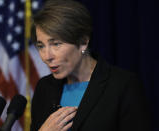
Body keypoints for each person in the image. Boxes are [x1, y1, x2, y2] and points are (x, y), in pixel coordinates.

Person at [30, 0, 152, 131]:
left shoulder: (122, 85)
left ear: (83, 42)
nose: (46, 56)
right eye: (41, 46)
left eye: (56, 44)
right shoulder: (44, 88)